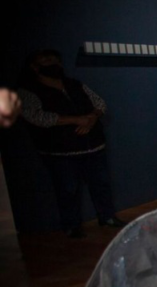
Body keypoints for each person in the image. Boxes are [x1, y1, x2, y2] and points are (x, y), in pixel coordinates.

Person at [18, 50, 127, 237]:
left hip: (93, 146)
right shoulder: (28, 91)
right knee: (68, 189)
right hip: (60, 151)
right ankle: (71, 225)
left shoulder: (74, 84)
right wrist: (75, 120)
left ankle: (107, 216)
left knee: (101, 184)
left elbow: (99, 103)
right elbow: (37, 117)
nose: (52, 64)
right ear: (34, 67)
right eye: (46, 61)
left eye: (55, 60)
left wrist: (91, 118)